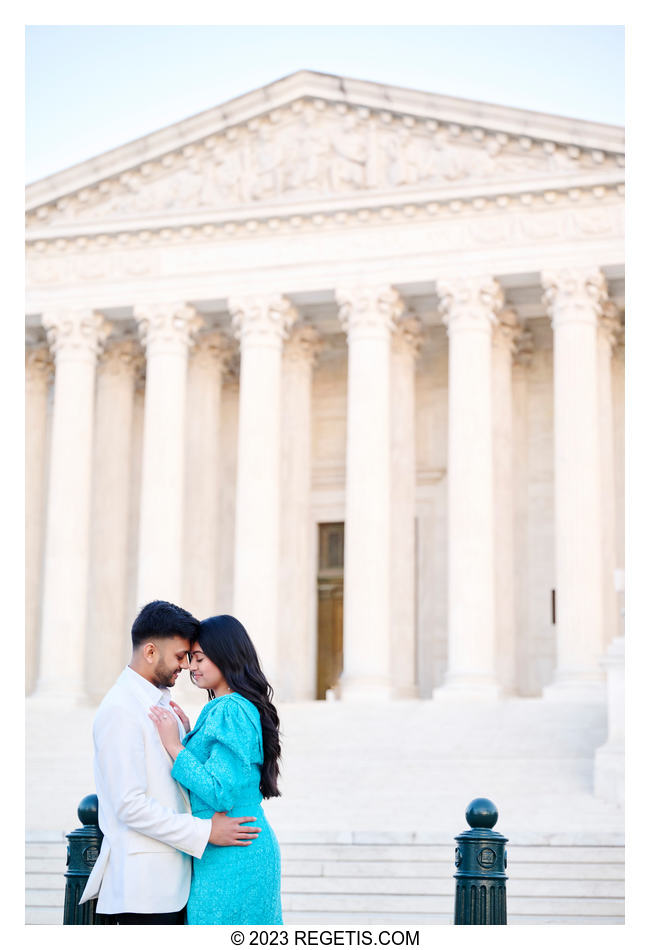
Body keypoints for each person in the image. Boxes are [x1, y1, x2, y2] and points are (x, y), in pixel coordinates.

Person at [79, 601, 261, 925]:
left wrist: (190, 740)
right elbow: (129, 806)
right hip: (144, 890)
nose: (187, 666)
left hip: (176, 885)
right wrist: (205, 832)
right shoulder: (120, 709)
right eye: (181, 656)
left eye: (192, 657)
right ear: (150, 652)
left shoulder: (165, 708)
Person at [149, 614, 283, 925]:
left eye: (199, 658)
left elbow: (220, 792)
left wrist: (175, 747)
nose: (191, 667)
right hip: (232, 848)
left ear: (225, 655)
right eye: (190, 659)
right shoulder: (230, 707)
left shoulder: (230, 708)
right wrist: (189, 734)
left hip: (235, 854)